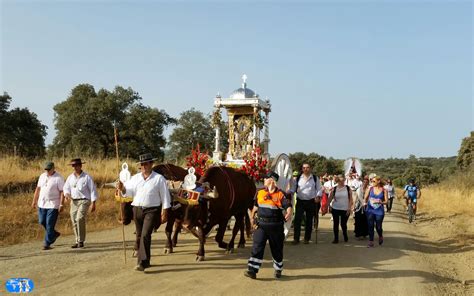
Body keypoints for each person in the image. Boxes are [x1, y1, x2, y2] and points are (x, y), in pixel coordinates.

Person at [117, 153, 171, 272]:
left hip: (152, 210)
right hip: (137, 209)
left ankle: (141, 262)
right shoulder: (135, 178)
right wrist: (122, 188)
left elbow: (165, 196)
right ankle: (146, 261)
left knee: (146, 235)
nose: (144, 166)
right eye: (142, 164)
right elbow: (128, 192)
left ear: (151, 164)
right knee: (140, 235)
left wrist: (165, 211)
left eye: (146, 163)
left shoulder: (159, 179)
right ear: (140, 166)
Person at [244, 171, 292, 280]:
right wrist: (252, 218)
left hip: (275, 226)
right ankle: (252, 270)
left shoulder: (280, 194)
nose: (263, 180)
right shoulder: (260, 192)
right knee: (257, 247)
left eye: (265, 178)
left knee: (276, 249)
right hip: (261, 225)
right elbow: (256, 207)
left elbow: (287, 205)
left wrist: (289, 211)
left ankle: (278, 268)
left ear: (271, 180)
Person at [63, 158, 98, 249]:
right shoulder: (70, 177)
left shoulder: (87, 177)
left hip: (84, 200)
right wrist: (66, 194)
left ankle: (81, 240)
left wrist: (93, 203)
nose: (74, 167)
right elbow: (66, 188)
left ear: (80, 166)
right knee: (74, 220)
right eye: (73, 165)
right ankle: (77, 240)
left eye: (76, 165)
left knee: (79, 218)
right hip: (74, 201)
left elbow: (93, 190)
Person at [31, 162, 65, 250]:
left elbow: (62, 192)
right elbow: (38, 189)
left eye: (49, 169)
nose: (47, 171)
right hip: (42, 203)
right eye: (46, 169)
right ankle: (53, 234)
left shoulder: (59, 178)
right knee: (42, 221)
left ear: (53, 168)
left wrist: (61, 204)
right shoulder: (42, 176)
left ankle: (47, 243)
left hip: (53, 204)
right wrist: (34, 201)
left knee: (49, 223)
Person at [291, 163, 322, 244]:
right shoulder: (298, 178)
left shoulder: (315, 178)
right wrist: (288, 193)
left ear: (310, 168)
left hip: (311, 201)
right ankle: (296, 239)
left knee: (309, 221)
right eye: (304, 168)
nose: (305, 169)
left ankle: (307, 239)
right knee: (297, 220)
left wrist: (318, 196)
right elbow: (293, 188)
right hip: (300, 201)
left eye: (307, 167)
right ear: (302, 169)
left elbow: (319, 188)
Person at [328, 175, 353, 243]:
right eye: (340, 181)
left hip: (345, 208)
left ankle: (345, 234)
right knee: (335, 223)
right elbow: (330, 198)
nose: (342, 182)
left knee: (343, 224)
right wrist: (328, 205)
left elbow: (350, 199)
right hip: (335, 208)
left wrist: (349, 208)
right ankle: (336, 238)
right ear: (337, 181)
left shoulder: (348, 188)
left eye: (343, 181)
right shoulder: (334, 189)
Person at [364, 176, 388, 248]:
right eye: (371, 181)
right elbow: (365, 198)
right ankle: (371, 241)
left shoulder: (384, 190)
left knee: (378, 227)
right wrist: (365, 202)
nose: (372, 183)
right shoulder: (370, 188)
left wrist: (381, 202)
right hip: (370, 210)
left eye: (374, 181)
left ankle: (380, 236)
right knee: (370, 226)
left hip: (379, 210)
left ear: (378, 181)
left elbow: (386, 202)